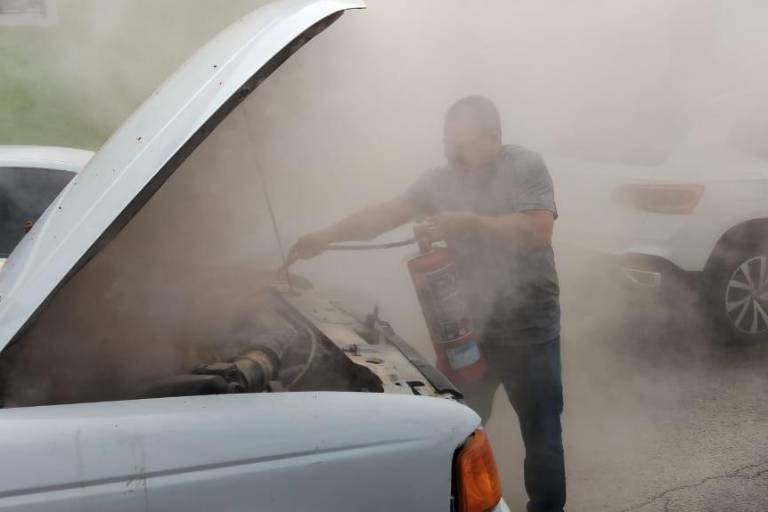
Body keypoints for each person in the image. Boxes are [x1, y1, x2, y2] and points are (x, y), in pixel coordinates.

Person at [287, 95, 565, 512]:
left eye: (460, 144)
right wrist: (325, 237)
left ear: (492, 139)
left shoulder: (524, 166)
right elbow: (387, 213)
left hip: (530, 327)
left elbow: (537, 230)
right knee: (455, 428)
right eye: (447, 142)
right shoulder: (441, 181)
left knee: (541, 433)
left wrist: (466, 223)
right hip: (469, 331)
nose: (451, 153)